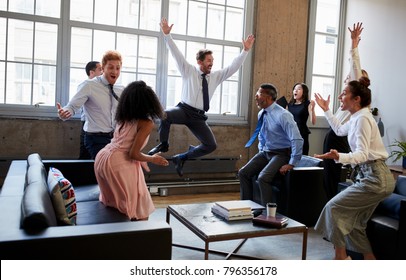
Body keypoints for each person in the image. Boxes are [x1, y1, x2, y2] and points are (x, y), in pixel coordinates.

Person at [148, 17, 255, 176]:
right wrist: (166, 35)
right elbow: (176, 54)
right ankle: (164, 144)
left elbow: (234, 67)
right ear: (200, 62)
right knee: (165, 115)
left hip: (198, 117)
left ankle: (181, 158)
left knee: (211, 145)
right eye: (209, 60)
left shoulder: (216, 76)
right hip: (183, 110)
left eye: (213, 60)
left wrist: (245, 51)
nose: (212, 63)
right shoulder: (189, 71)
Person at [313, 79, 395, 260]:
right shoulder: (358, 117)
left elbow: (362, 154)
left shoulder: (363, 119)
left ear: (356, 99)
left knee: (333, 208)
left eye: (344, 93)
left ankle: (341, 258)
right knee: (357, 224)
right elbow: (339, 129)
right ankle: (369, 261)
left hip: (375, 178)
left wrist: (339, 156)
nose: (340, 97)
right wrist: (326, 109)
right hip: (374, 176)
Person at [94, 81, 168, 220]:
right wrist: (153, 159)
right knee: (137, 211)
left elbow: (126, 147)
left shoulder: (124, 117)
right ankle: (136, 238)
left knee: (115, 205)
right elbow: (133, 153)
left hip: (103, 157)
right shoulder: (146, 123)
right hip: (119, 164)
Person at [322, 22, 369, 200]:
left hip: (339, 139)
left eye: (350, 78)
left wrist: (354, 45)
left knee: (333, 178)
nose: (347, 79)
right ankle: (329, 206)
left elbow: (355, 67)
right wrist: (326, 110)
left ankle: (333, 206)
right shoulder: (345, 100)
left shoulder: (358, 103)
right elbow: (337, 126)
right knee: (327, 178)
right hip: (336, 134)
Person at [238, 83, 304, 206]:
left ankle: (267, 215)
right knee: (243, 173)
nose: (256, 97)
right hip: (266, 152)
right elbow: (261, 135)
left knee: (263, 178)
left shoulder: (283, 115)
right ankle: (246, 207)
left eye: (258, 94)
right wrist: (261, 152)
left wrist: (292, 163)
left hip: (282, 154)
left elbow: (297, 139)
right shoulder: (261, 113)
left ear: (268, 97)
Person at [57, 50, 124, 159]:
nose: (115, 71)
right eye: (111, 67)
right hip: (96, 138)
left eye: (118, 68)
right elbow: (72, 106)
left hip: (116, 138)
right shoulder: (89, 85)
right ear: (103, 68)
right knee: (105, 168)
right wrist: (64, 112)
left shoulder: (121, 90)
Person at [79, 61, 103, 159]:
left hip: (99, 126)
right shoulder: (85, 86)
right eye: (100, 69)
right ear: (91, 72)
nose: (102, 72)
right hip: (87, 124)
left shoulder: (102, 87)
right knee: (85, 156)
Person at [287, 83, 316, 155]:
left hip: (302, 133)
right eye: (294, 89)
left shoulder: (307, 104)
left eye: (299, 89)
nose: (295, 91)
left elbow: (313, 121)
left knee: (301, 156)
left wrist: (312, 109)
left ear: (304, 92)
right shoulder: (289, 105)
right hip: (290, 133)